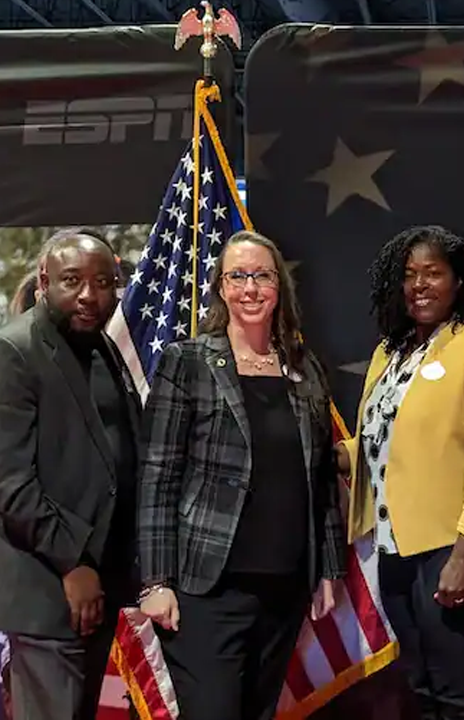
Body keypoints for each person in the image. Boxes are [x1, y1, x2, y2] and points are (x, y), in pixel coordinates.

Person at [137, 230, 346, 720]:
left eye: (262, 276)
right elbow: (157, 475)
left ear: (279, 288)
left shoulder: (305, 368)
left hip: (284, 587)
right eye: (238, 276)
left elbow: (319, 480)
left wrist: (329, 569)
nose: (251, 288)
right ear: (221, 287)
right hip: (206, 588)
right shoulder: (187, 362)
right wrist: (155, 581)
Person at [335, 225, 464, 720]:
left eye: (433, 273)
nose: (419, 285)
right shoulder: (389, 353)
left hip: (451, 550)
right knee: (421, 690)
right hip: (395, 551)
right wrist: (324, 453)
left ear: (458, 282)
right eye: (410, 275)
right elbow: (382, 440)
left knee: (461, 698)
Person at [0, 228, 142, 720]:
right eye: (73, 281)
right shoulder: (9, 352)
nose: (90, 295)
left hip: (98, 583)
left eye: (104, 282)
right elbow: (0, 475)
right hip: (47, 584)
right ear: (45, 282)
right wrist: (73, 564)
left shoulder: (101, 348)